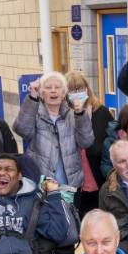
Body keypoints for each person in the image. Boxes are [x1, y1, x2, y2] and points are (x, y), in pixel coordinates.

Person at [13, 71, 94, 202]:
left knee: (70, 222)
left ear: (64, 94)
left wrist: (80, 114)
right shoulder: (35, 114)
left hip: (70, 187)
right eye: (48, 87)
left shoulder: (74, 115)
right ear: (42, 93)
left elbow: (86, 142)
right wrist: (32, 97)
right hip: (41, 186)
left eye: (57, 87)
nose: (53, 91)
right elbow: (21, 130)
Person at [65, 71, 114, 216]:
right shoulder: (64, 116)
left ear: (87, 89)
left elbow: (111, 145)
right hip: (73, 186)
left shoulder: (102, 113)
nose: (77, 93)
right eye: (72, 90)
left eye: (80, 89)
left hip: (99, 182)